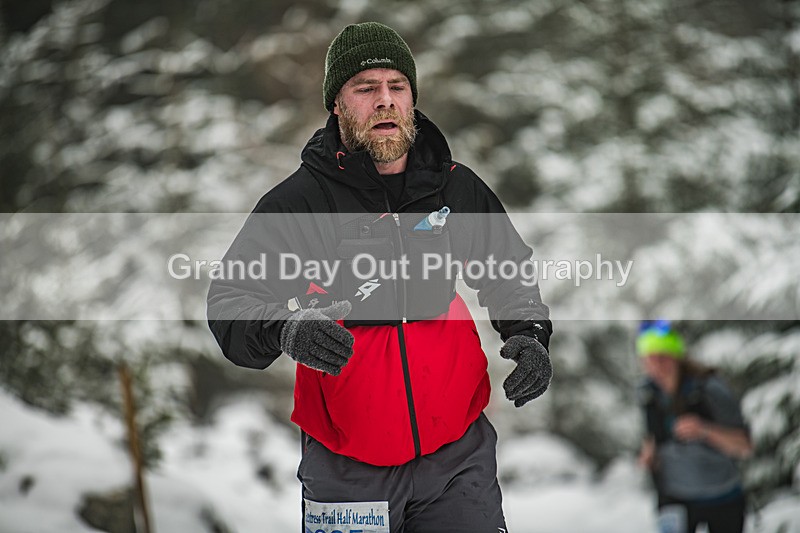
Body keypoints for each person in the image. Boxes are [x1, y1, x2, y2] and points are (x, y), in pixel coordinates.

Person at [207, 21, 553, 532]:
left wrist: (529, 334)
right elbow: (231, 301)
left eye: (397, 87)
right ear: (338, 106)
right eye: (365, 88)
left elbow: (508, 270)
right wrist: (285, 327)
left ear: (413, 99)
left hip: (456, 457)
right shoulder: (301, 204)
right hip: (349, 466)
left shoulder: (455, 189)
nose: (384, 101)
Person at [636, 321, 753, 533]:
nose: (657, 366)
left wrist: (705, 431)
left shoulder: (710, 390)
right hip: (674, 499)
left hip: (722, 496)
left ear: (678, 358)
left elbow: (744, 447)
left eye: (662, 357)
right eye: (650, 359)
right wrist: (648, 457)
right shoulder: (648, 395)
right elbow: (652, 441)